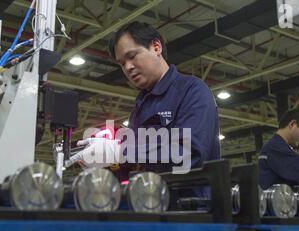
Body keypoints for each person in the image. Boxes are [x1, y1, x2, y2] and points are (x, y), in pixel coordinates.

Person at [70, 22, 220, 198]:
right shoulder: (140, 107)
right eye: (122, 63)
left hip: (193, 213)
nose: (128, 67)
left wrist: (119, 152)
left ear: (156, 47)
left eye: (132, 56)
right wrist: (106, 164)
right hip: (152, 209)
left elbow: (189, 154)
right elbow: (137, 166)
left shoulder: (192, 91)